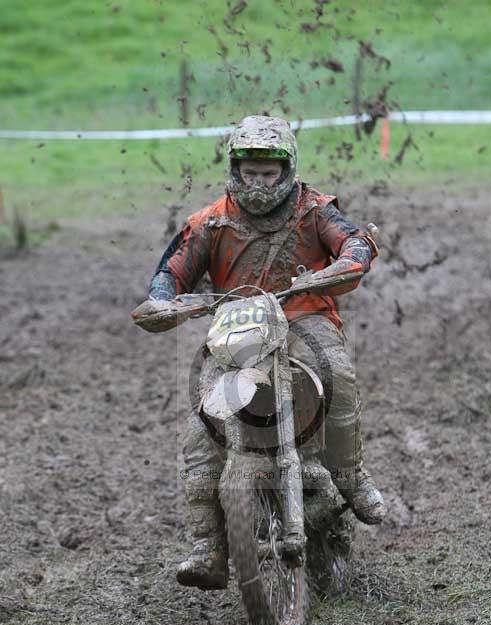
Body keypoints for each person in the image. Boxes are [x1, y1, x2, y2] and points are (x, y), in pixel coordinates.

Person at [145, 115, 386, 590]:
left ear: (288, 169)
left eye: (268, 173)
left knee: (335, 371)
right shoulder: (212, 220)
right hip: (238, 328)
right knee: (203, 419)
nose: (258, 182)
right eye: (250, 172)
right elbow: (170, 271)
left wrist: (346, 261)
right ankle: (208, 544)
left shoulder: (316, 210)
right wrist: (163, 299)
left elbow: (355, 241)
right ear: (235, 168)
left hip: (305, 317)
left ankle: (351, 473)